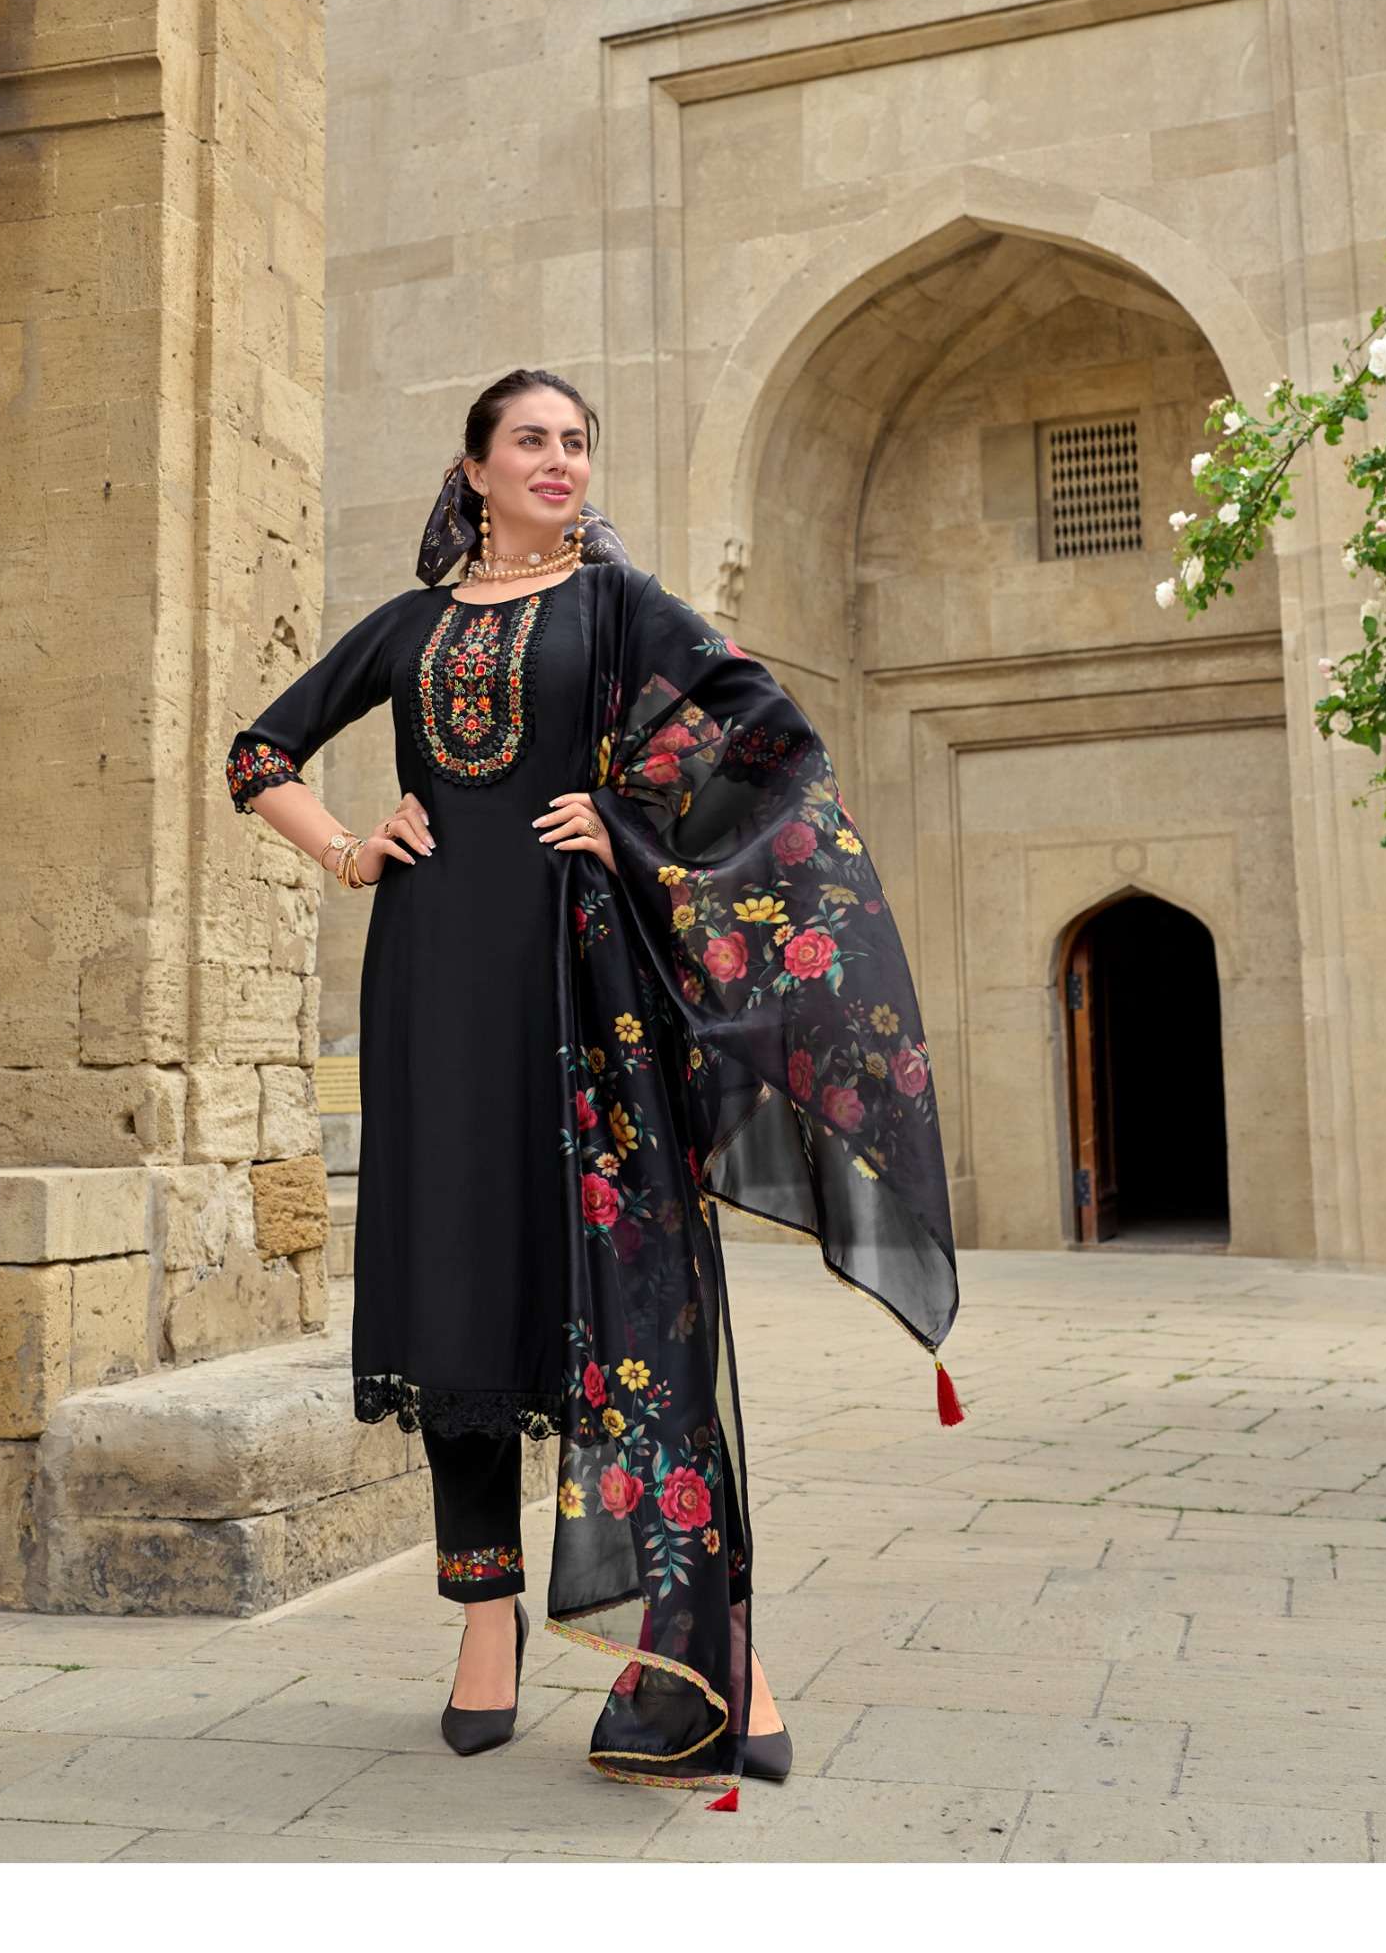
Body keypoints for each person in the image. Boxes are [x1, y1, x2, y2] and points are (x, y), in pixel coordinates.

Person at [224, 367, 961, 1804]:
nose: (560, 461)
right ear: (476, 468)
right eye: (533, 441)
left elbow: (768, 745)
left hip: (579, 986)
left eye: (576, 442)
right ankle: (484, 1621)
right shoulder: (409, 628)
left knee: (633, 1293)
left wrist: (629, 823)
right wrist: (350, 850)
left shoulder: (622, 608)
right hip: (432, 985)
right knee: (452, 1288)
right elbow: (259, 753)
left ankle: (712, 1647)